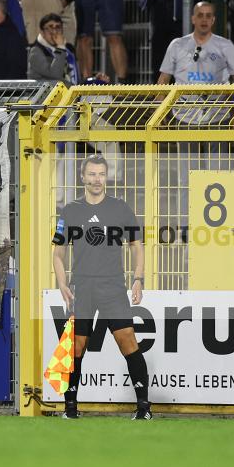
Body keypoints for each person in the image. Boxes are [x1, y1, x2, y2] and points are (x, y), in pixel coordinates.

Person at [51, 154, 151, 420]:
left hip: (113, 287)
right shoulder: (70, 211)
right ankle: (70, 410)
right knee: (76, 347)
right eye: (92, 174)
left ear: (106, 177)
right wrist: (62, 282)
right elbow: (57, 253)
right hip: (81, 288)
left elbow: (136, 247)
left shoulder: (120, 208)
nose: (97, 179)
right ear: (83, 177)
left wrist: (138, 279)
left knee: (127, 341)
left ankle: (144, 409)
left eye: (101, 174)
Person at [158, 1, 234, 85]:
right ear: (193, 19)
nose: (204, 20)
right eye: (200, 15)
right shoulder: (177, 45)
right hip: (183, 98)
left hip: (217, 98)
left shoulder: (226, 46)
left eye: (208, 16)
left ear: (213, 20)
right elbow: (163, 79)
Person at [28, 13, 80, 84]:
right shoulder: (36, 51)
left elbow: (75, 78)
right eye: (50, 27)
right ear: (42, 32)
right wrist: (60, 48)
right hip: (45, 94)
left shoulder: (69, 49)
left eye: (58, 27)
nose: (54, 32)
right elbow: (55, 75)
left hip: (70, 93)